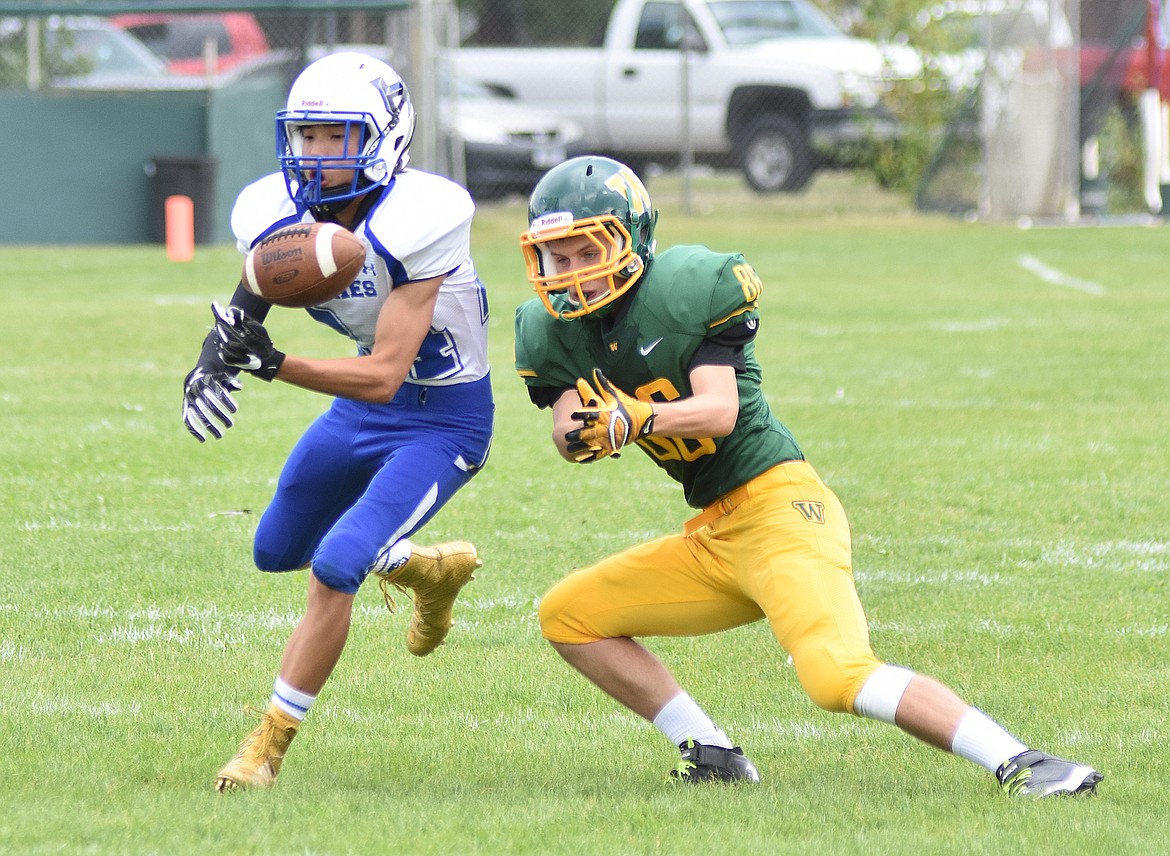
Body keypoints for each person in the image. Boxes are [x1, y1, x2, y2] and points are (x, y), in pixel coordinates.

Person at [512, 155, 1101, 797]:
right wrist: (583, 435)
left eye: (584, 252)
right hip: (716, 535)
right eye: (557, 258)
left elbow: (717, 410)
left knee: (834, 675)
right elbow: (569, 428)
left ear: (631, 241)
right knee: (568, 614)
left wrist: (638, 417)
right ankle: (712, 754)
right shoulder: (553, 332)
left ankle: (1027, 762)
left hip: (783, 511)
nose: (572, 275)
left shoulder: (685, 291)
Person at [181, 52, 494, 792]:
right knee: (275, 548)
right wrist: (209, 362)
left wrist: (272, 364)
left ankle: (267, 747)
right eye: (307, 137)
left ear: (385, 137)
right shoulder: (275, 210)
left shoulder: (426, 214)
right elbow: (252, 289)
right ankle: (428, 568)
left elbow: (387, 373)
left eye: (336, 137)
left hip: (441, 420)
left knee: (335, 564)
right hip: (357, 409)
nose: (315, 156)